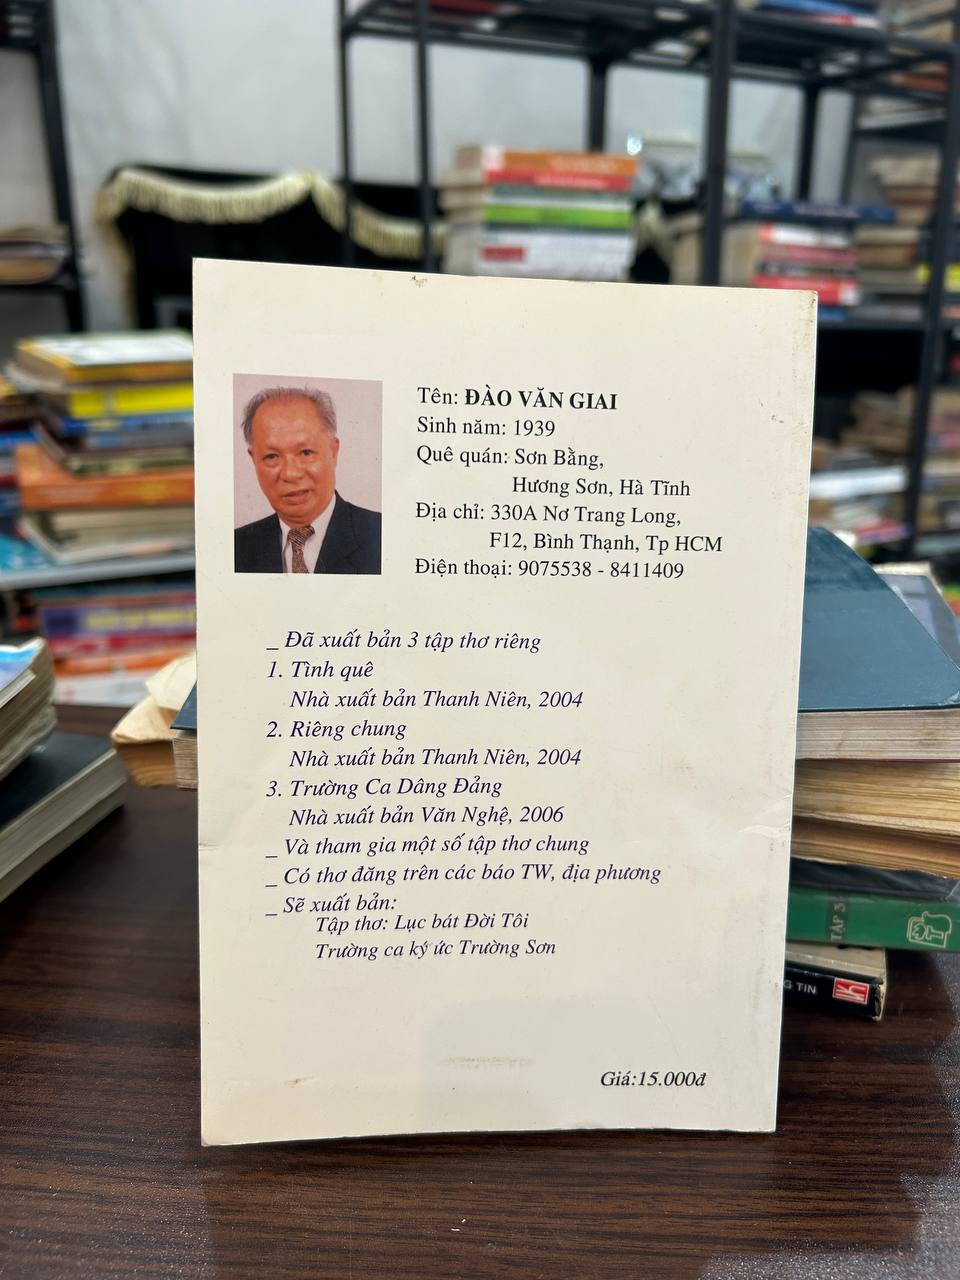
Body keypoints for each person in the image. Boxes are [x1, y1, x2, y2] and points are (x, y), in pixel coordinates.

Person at [234, 386, 381, 574]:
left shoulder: (381, 536)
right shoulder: (235, 548)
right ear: (253, 459)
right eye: (271, 456)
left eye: (306, 453)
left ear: (333, 451)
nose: (290, 474)